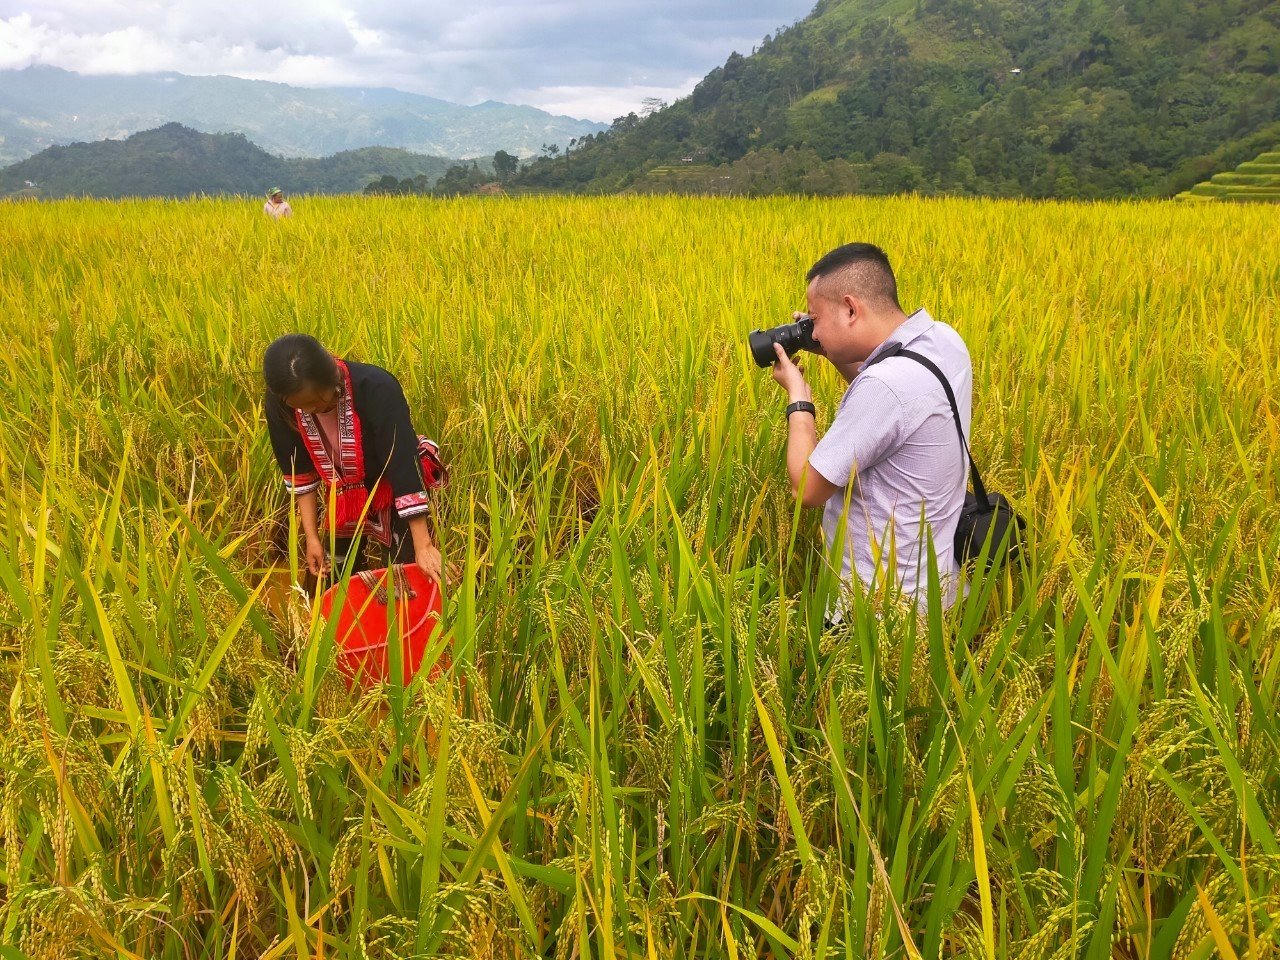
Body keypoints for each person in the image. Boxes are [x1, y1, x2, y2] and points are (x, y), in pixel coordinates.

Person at [768, 242, 972, 613]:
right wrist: (833, 350)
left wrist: (799, 398)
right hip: (940, 590)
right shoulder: (943, 340)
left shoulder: (884, 388)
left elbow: (805, 490)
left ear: (850, 309)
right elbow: (889, 415)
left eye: (816, 319)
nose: (811, 333)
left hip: (880, 613)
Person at [263, 334, 442, 583]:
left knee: (409, 574)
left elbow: (403, 464)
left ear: (332, 378)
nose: (312, 410)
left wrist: (423, 545)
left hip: (390, 487)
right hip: (343, 497)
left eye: (318, 401)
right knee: (328, 575)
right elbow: (300, 473)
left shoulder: (377, 388)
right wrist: (312, 538)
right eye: (303, 407)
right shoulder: (280, 405)